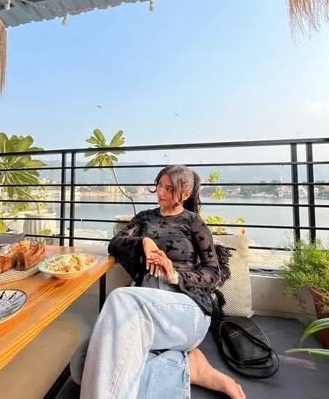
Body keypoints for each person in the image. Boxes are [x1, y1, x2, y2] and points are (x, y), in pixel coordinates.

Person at [78, 165, 246, 399]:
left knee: (120, 299)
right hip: (143, 305)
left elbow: (213, 273)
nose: (161, 192)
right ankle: (188, 367)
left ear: (185, 194)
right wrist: (143, 242)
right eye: (159, 185)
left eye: (169, 189)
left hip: (184, 306)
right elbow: (115, 244)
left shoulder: (193, 223)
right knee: (81, 364)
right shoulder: (144, 218)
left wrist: (175, 276)